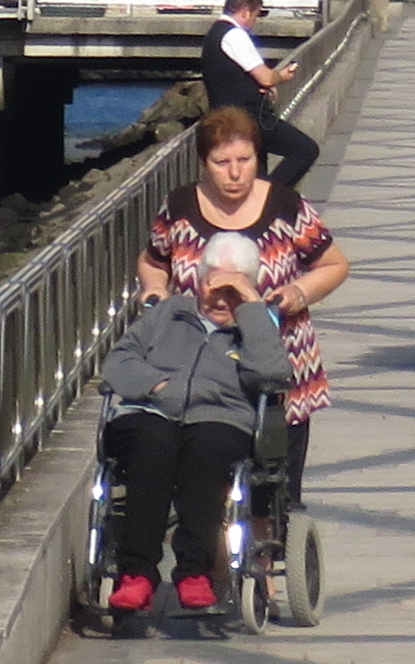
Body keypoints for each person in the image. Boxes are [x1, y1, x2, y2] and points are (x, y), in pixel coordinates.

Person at [100, 234, 288, 615]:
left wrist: (251, 309)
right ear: (199, 280)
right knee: (153, 445)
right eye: (213, 286)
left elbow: (272, 374)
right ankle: (136, 574)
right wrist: (156, 385)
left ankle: (194, 571)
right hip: (150, 411)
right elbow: (118, 361)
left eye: (232, 290)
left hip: (220, 417)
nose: (220, 299)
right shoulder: (168, 313)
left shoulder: (255, 327)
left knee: (207, 451)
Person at [148, 107, 348, 464]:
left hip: (277, 364)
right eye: (221, 162)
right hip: (198, 370)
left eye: (245, 160)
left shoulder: (286, 206)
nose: (235, 173)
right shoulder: (179, 206)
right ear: (203, 163)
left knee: (275, 479)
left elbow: (334, 265)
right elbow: (153, 261)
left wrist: (297, 293)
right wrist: (156, 291)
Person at [204, 0, 321, 194]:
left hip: (227, 117)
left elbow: (234, 74)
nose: (255, 22)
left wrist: (261, 85)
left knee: (256, 171)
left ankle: (258, 200)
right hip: (246, 118)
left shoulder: (215, 33)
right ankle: (268, 197)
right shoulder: (234, 36)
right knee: (305, 150)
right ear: (246, 12)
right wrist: (282, 76)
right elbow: (266, 77)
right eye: (256, 15)